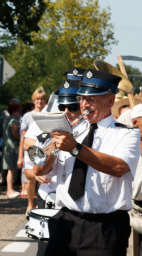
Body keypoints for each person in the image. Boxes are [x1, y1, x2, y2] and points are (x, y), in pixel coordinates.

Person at [35, 69, 141, 256]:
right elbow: (40, 170)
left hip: (104, 228)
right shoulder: (73, 131)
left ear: (110, 100)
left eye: (91, 99)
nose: (84, 105)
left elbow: (119, 167)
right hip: (65, 221)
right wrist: (52, 149)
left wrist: (75, 148)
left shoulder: (127, 134)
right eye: (82, 99)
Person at [24, 77, 83, 256]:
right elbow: (32, 169)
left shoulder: (90, 131)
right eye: (62, 107)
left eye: (73, 107)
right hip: (50, 200)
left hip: (79, 209)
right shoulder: (43, 127)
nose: (66, 112)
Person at [18, 87, 47, 212]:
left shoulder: (48, 114)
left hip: (44, 149)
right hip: (29, 151)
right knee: (31, 179)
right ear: (33, 101)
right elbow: (23, 138)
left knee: (42, 178)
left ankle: (40, 203)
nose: (39, 102)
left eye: (42, 99)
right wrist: (20, 157)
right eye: (37, 99)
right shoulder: (27, 116)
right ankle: (30, 204)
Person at [3, 103, 21, 198]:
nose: (19, 113)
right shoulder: (14, 120)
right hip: (13, 147)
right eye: (18, 111)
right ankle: (10, 190)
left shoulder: (7, 120)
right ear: (14, 111)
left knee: (10, 169)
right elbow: (15, 133)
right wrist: (22, 138)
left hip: (7, 146)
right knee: (12, 169)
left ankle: (9, 189)